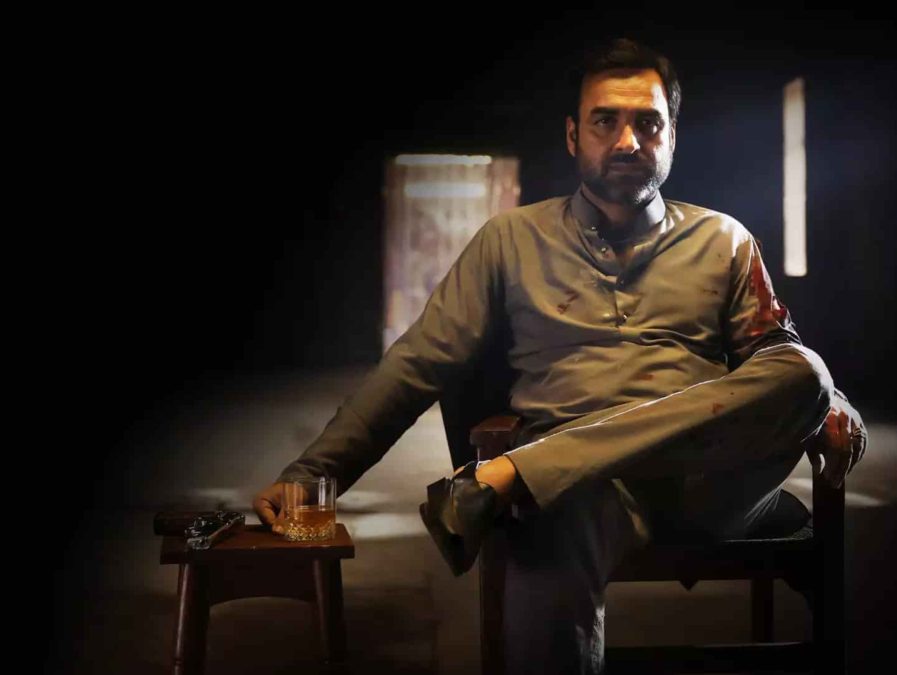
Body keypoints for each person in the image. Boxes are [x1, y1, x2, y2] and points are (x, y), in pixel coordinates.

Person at [252, 38, 866, 673]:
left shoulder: (724, 239)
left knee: (806, 372)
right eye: (605, 121)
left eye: (648, 123)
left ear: (672, 137)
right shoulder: (510, 240)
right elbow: (418, 363)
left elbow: (779, 357)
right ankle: (537, 474)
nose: (627, 141)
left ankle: (521, 472)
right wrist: (312, 474)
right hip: (582, 495)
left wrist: (831, 403)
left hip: (709, 486)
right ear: (573, 136)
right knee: (550, 515)